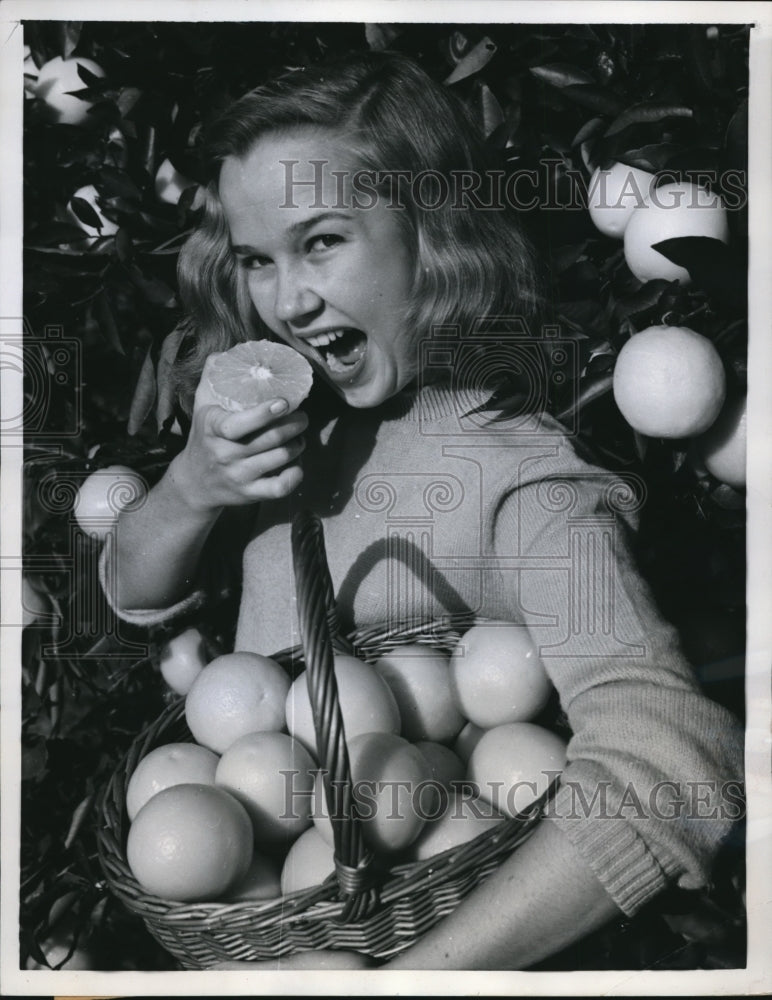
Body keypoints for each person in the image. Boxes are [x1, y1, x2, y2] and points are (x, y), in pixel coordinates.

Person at [102, 51, 744, 970]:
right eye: (256, 260)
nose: (288, 301)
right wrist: (192, 489)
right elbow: (130, 596)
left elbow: (679, 764)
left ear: (431, 228)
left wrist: (411, 984)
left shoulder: (516, 472)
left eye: (322, 241)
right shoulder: (293, 434)